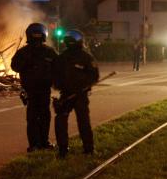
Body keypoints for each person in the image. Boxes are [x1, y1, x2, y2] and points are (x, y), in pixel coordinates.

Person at [10, 23, 57, 152]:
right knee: (37, 117)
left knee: (39, 117)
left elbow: (58, 67)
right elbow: (15, 67)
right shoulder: (25, 52)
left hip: (41, 90)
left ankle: (40, 143)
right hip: (32, 90)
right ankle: (38, 144)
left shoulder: (49, 52)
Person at [53, 29, 100, 157]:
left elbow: (94, 76)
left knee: (81, 121)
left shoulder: (82, 57)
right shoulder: (66, 57)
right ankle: (69, 149)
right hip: (68, 95)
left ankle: (86, 149)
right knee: (66, 120)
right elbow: (94, 76)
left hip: (79, 95)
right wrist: (63, 88)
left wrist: (81, 87)